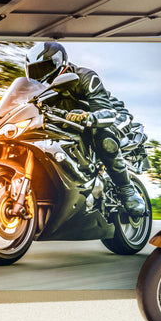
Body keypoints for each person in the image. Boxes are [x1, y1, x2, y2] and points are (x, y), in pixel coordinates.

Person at [24, 42, 146, 217]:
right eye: (35, 70)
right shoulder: (39, 91)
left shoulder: (85, 77)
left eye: (45, 67)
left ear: (60, 63)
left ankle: (127, 191)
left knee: (104, 137)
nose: (41, 74)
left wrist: (89, 116)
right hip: (74, 122)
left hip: (113, 116)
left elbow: (106, 111)